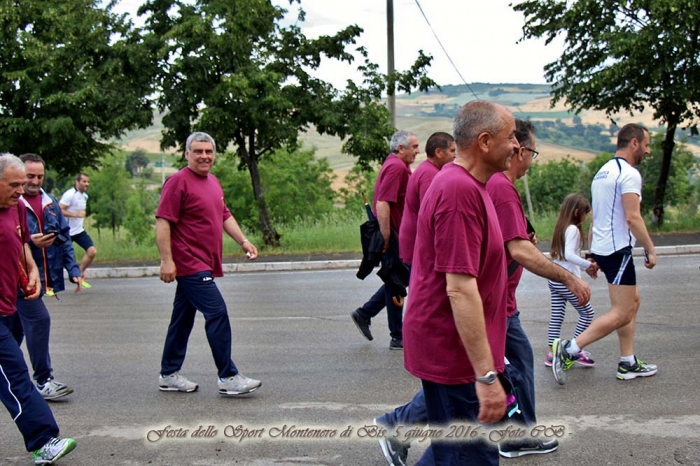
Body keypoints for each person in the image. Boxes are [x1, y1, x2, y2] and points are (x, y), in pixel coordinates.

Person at [402, 100, 518, 465]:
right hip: (454, 356)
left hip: (460, 352)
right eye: (511, 137)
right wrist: (485, 377)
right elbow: (460, 288)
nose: (517, 146)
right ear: (484, 142)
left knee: (447, 456)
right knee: (470, 459)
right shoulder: (458, 192)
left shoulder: (472, 184)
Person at [156, 131, 262, 396]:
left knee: (182, 319)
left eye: (208, 151)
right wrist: (167, 261)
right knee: (217, 313)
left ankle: (168, 374)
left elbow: (224, 214)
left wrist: (244, 241)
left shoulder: (213, 181)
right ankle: (228, 376)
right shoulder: (177, 182)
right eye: (198, 151)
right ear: (187, 154)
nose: (204, 156)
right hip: (190, 262)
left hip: (205, 260)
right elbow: (163, 221)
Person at [552, 123, 658, 384]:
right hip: (617, 249)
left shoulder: (603, 172)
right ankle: (568, 349)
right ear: (633, 142)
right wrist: (650, 248)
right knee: (622, 311)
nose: (648, 150)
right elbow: (633, 218)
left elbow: (598, 216)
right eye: (646, 144)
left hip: (605, 248)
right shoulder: (628, 174)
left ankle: (627, 361)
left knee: (633, 301)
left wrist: (593, 253)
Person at [0, 153, 76, 464]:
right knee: (16, 372)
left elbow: (21, 243)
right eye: (13, 184)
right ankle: (43, 441)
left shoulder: (17, 207)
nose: (21, 190)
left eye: (24, 184)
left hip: (9, 304)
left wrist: (30, 270)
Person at [9, 153, 82, 401]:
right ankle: (43, 380)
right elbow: (13, 240)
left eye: (40, 176)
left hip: (39, 276)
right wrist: (30, 241)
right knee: (39, 321)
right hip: (16, 278)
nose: (35, 181)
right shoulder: (10, 203)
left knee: (14, 330)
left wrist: (73, 269)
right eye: (29, 176)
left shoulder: (49, 201)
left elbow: (64, 236)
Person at [351, 130, 420, 350]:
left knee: (397, 280)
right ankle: (397, 336)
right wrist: (387, 236)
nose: (418, 151)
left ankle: (365, 313)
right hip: (395, 234)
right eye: (414, 147)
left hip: (399, 233)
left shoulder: (397, 165)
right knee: (397, 281)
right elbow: (383, 203)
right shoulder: (396, 167)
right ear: (401, 148)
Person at [545, 193, 597, 368]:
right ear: (576, 212)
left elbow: (566, 257)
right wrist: (588, 265)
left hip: (555, 278)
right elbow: (570, 255)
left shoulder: (562, 227)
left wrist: (584, 267)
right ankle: (572, 350)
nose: (586, 216)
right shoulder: (573, 229)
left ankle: (552, 353)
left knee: (557, 316)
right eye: (585, 212)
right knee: (587, 313)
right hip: (566, 280)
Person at [398, 131, 455, 265]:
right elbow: (431, 213)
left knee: (398, 284)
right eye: (452, 150)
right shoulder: (429, 174)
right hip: (417, 242)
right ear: (439, 152)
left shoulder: (428, 169)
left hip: (415, 239)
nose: (455, 155)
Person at [59, 172, 97, 288]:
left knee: (92, 251)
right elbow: (59, 210)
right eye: (84, 181)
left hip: (79, 231)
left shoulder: (84, 196)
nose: (87, 184)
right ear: (77, 182)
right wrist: (75, 214)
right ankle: (49, 284)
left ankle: (79, 273)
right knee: (59, 258)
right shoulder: (70, 195)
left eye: (88, 182)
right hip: (67, 232)